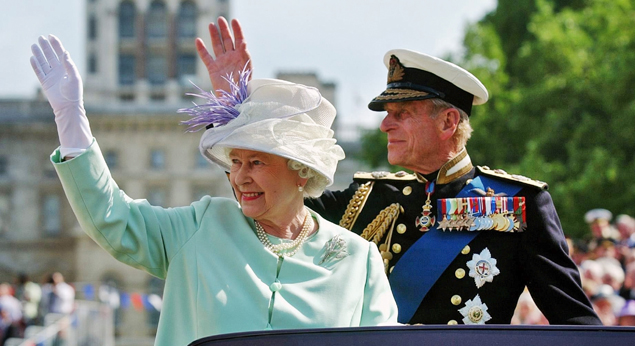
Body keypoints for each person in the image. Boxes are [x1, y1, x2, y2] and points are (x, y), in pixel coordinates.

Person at [198, 17, 601, 325]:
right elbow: (267, 202)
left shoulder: (517, 204)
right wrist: (233, 114)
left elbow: (577, 325)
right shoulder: (369, 198)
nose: (385, 125)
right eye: (387, 114)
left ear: (447, 123)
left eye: (401, 114)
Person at [30, 35, 398, 346]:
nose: (239, 176)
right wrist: (70, 117)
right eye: (235, 161)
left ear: (302, 171)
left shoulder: (357, 259)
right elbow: (113, 218)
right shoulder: (200, 226)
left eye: (256, 162)